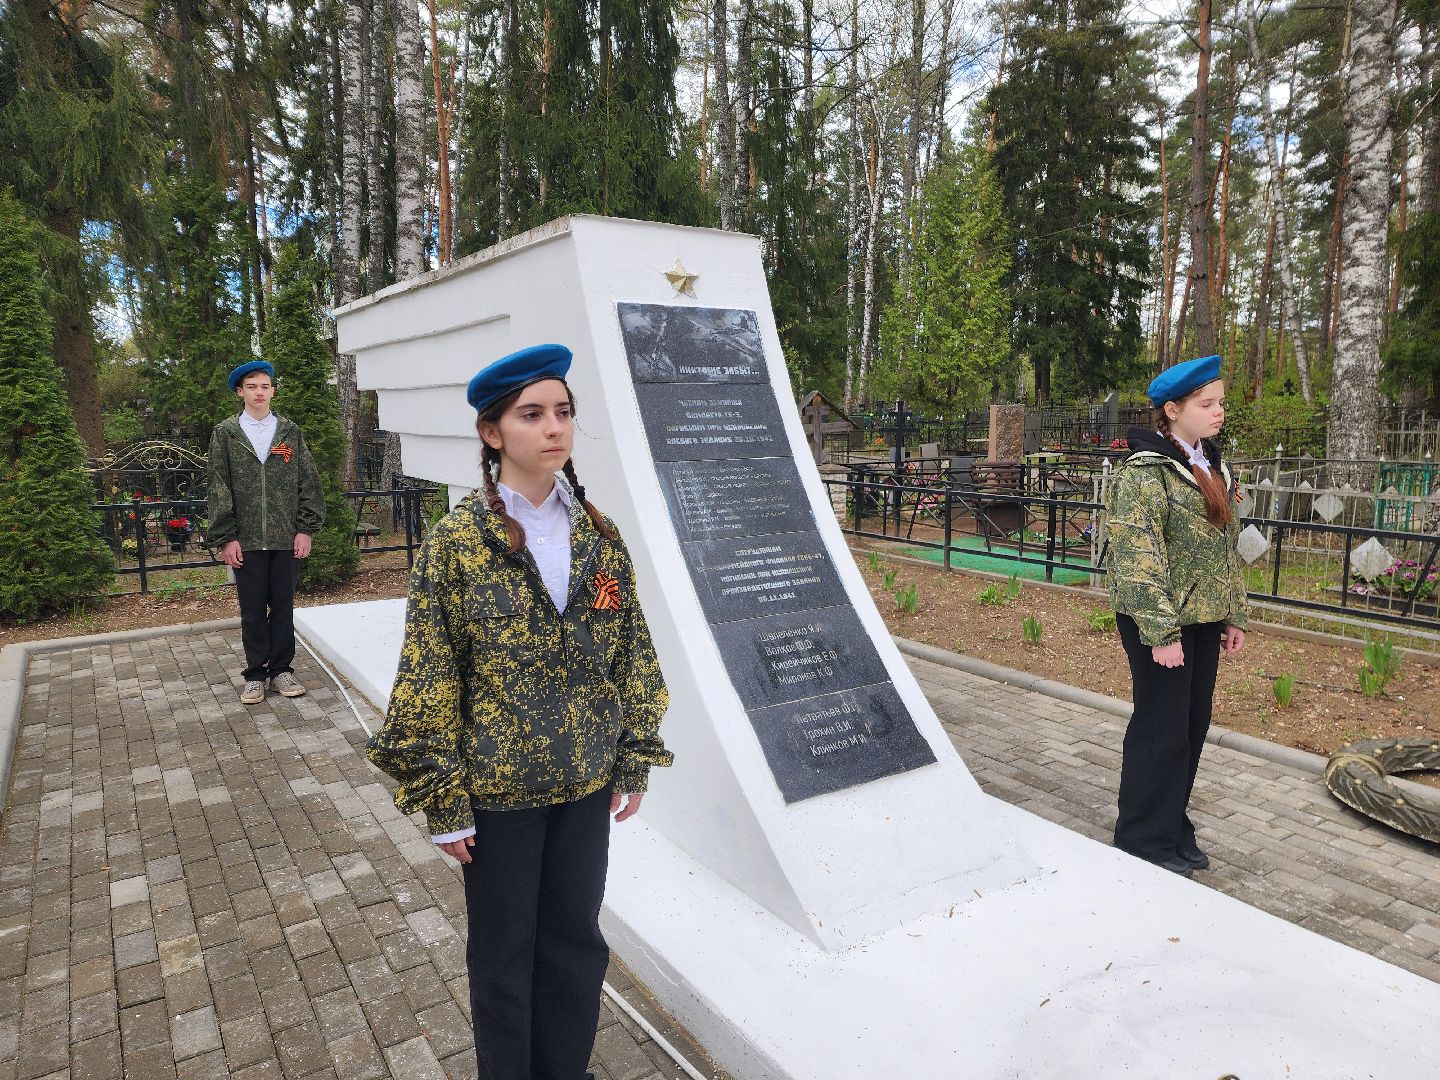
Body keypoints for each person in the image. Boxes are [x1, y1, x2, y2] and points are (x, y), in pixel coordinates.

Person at [364, 343, 673, 1080]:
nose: (553, 428)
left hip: (585, 785)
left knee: (575, 944)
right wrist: (442, 799)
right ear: (492, 433)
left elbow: (632, 650)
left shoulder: (600, 537)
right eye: (531, 414)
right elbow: (429, 675)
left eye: (562, 411)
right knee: (503, 958)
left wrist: (633, 753)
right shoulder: (456, 547)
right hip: (498, 796)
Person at [1105, 353, 1248, 877]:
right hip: (1157, 619)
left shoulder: (1211, 464)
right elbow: (1137, 558)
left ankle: (1171, 824)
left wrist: (1235, 614)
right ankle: (1143, 838)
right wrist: (1161, 633)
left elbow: (1225, 548)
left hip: (1204, 616)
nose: (1218, 413)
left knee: (1191, 725)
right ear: (1172, 409)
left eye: (1220, 403)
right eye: (1206, 404)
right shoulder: (1143, 474)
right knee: (1160, 728)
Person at [207, 360, 325, 705]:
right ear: (240, 392)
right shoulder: (225, 433)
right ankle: (256, 674)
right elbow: (218, 486)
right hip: (246, 541)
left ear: (273, 391)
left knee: (284, 607)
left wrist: (305, 529)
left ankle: (282, 670)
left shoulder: (289, 432)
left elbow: (309, 482)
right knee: (253, 609)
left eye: (265, 386)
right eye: (252, 386)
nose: (259, 392)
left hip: (286, 538)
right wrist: (227, 536)